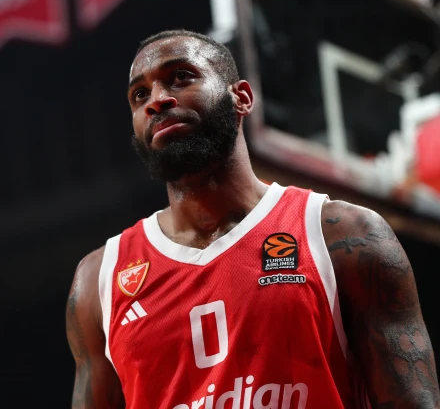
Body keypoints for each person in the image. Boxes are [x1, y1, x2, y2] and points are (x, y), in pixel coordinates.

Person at [66, 29, 440, 409]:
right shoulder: (99, 280)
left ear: (241, 98)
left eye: (180, 77)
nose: (157, 100)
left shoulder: (343, 236)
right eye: (140, 95)